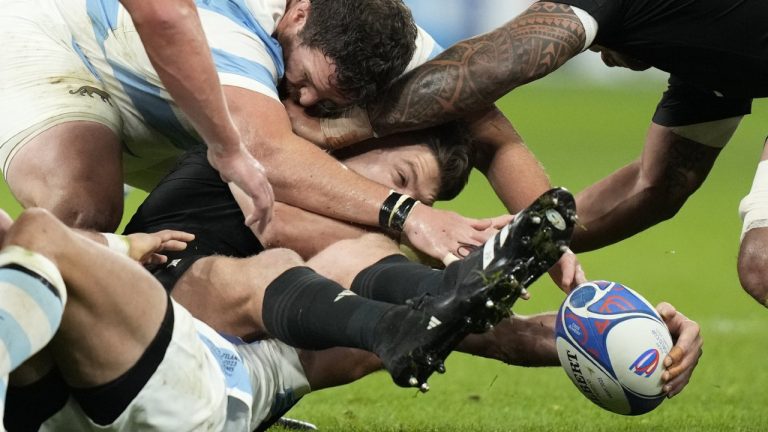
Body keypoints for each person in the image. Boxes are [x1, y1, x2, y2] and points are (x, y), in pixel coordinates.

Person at [289, 0, 768, 306]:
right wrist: (525, 235)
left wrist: (333, 130)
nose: (602, 56)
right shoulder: (707, 50)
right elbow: (658, 185)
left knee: (762, 262)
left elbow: (491, 68)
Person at [1, 184, 576, 431]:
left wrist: (607, 334)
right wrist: (121, 248)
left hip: (161, 388)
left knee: (346, 264)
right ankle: (413, 316)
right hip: (181, 393)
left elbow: (487, 331)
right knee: (37, 233)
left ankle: (436, 304)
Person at [0, 0, 497, 267]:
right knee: (85, 214)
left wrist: (534, 232)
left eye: (326, 99)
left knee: (279, 213)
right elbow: (269, 156)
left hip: (193, 115)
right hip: (67, 48)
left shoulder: (377, 33)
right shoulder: (231, 24)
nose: (306, 102)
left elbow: (488, 125)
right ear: (298, 14)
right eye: (304, 81)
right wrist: (410, 218)